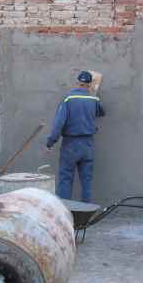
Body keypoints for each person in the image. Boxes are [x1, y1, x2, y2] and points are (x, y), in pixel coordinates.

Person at [46, 70, 105, 203]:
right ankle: (86, 213)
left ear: (77, 83)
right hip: (88, 145)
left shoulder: (68, 99)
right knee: (86, 181)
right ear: (90, 84)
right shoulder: (94, 99)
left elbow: (58, 124)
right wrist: (93, 96)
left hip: (70, 145)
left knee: (65, 179)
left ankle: (64, 211)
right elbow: (101, 112)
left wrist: (51, 142)